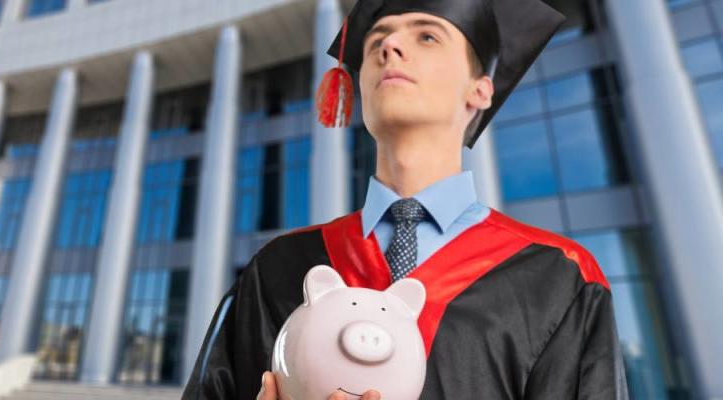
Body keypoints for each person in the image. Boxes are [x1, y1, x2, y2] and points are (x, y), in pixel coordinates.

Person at [181, 0, 630, 399]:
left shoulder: (560, 275)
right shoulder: (278, 268)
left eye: (427, 35)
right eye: (377, 37)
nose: (389, 46)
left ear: (481, 89)